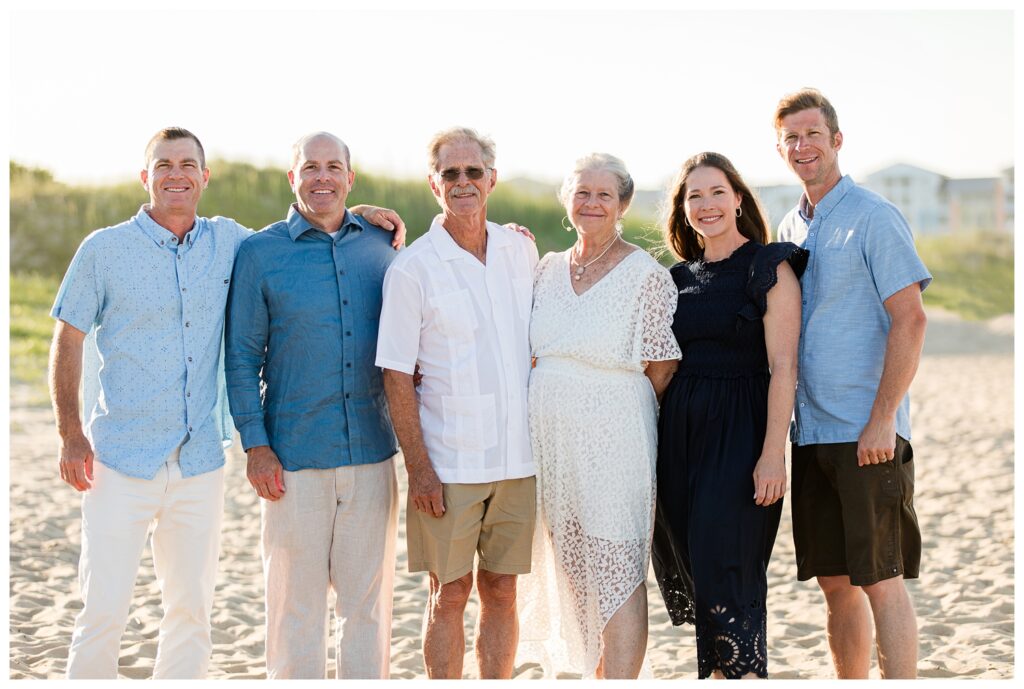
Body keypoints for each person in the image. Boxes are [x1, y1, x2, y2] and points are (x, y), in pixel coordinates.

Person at [48, 127, 252, 679]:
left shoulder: (229, 241)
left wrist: (368, 214)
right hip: (118, 462)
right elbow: (67, 337)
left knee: (192, 611)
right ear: (146, 177)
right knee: (104, 609)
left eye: (188, 164)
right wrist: (71, 432)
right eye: (163, 165)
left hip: (200, 464)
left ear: (205, 178)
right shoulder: (104, 249)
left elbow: (298, 232)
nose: (176, 174)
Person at [224, 131, 408, 679]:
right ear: (293, 177)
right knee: (294, 610)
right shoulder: (259, 253)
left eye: (334, 167)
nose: (322, 177)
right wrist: (256, 447)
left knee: (368, 611)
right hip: (292, 460)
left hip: (373, 457)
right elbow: (240, 360)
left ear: (350, 178)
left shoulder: (383, 247)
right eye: (311, 167)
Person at [774, 88, 930, 679]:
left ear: (836, 140)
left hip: (867, 431)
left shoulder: (874, 215)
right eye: (791, 137)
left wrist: (883, 416)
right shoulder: (791, 224)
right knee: (835, 583)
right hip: (810, 433)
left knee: (881, 580)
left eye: (812, 133)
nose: (802, 145)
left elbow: (910, 318)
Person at [376, 127, 538, 679]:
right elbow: (396, 376)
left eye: (474, 172)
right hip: (449, 463)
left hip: (520, 461)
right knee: (448, 594)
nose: (463, 182)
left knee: (502, 591)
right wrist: (419, 469)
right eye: (451, 173)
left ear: (492, 178)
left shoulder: (521, 248)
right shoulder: (412, 269)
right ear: (433, 183)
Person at [518, 153, 680, 679]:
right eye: (582, 192)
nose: (592, 203)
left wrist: (612, 411)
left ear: (622, 205)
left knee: (618, 569)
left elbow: (662, 368)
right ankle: (596, 673)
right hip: (552, 441)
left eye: (604, 194)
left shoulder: (646, 275)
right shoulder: (544, 268)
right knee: (573, 566)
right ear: (567, 201)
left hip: (616, 436)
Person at [649, 152, 804, 679]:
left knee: (730, 576)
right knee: (699, 571)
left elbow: (784, 367)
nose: (707, 204)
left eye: (717, 192)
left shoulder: (769, 267)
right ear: (683, 209)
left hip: (741, 438)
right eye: (695, 195)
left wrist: (771, 456)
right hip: (680, 438)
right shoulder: (674, 278)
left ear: (738, 198)